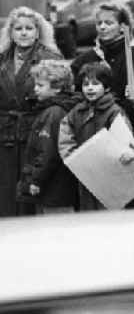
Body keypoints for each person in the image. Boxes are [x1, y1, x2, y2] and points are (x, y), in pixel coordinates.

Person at [0, 6, 62, 216]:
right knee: (5, 192)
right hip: (4, 134)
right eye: (18, 28)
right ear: (10, 32)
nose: (24, 32)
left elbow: (59, 95)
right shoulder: (2, 58)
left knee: (30, 192)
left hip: (35, 132)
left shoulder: (50, 57)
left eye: (29, 28)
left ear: (38, 31)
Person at [58, 62, 134, 211]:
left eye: (96, 84)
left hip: (110, 175)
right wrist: (75, 159)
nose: (90, 88)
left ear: (106, 87)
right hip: (86, 174)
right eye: (86, 84)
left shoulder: (114, 112)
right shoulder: (76, 112)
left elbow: (125, 141)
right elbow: (65, 138)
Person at [71, 4, 134, 140]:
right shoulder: (83, 60)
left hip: (128, 132)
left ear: (122, 27)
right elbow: (76, 98)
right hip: (91, 134)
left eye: (109, 23)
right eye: (99, 23)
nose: (102, 27)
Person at [16, 61, 80, 214]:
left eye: (40, 85)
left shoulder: (54, 113)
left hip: (54, 187)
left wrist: (36, 180)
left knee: (57, 229)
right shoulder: (53, 110)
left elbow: (48, 152)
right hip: (57, 185)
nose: (35, 89)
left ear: (57, 88)